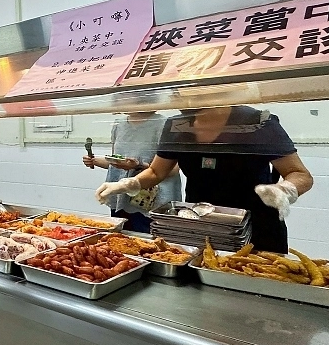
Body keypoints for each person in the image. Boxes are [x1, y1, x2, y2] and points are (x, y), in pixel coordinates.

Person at [95, 105, 314, 253]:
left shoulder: (258, 122)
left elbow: (300, 174)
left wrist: (285, 190)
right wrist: (126, 184)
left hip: (255, 227)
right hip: (198, 224)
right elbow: (156, 172)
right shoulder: (177, 125)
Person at [83, 112, 182, 233]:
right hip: (121, 198)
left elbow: (174, 169)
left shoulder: (164, 124)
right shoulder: (119, 125)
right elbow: (118, 162)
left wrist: (139, 166)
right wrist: (94, 161)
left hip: (152, 202)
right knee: (120, 239)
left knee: (152, 242)